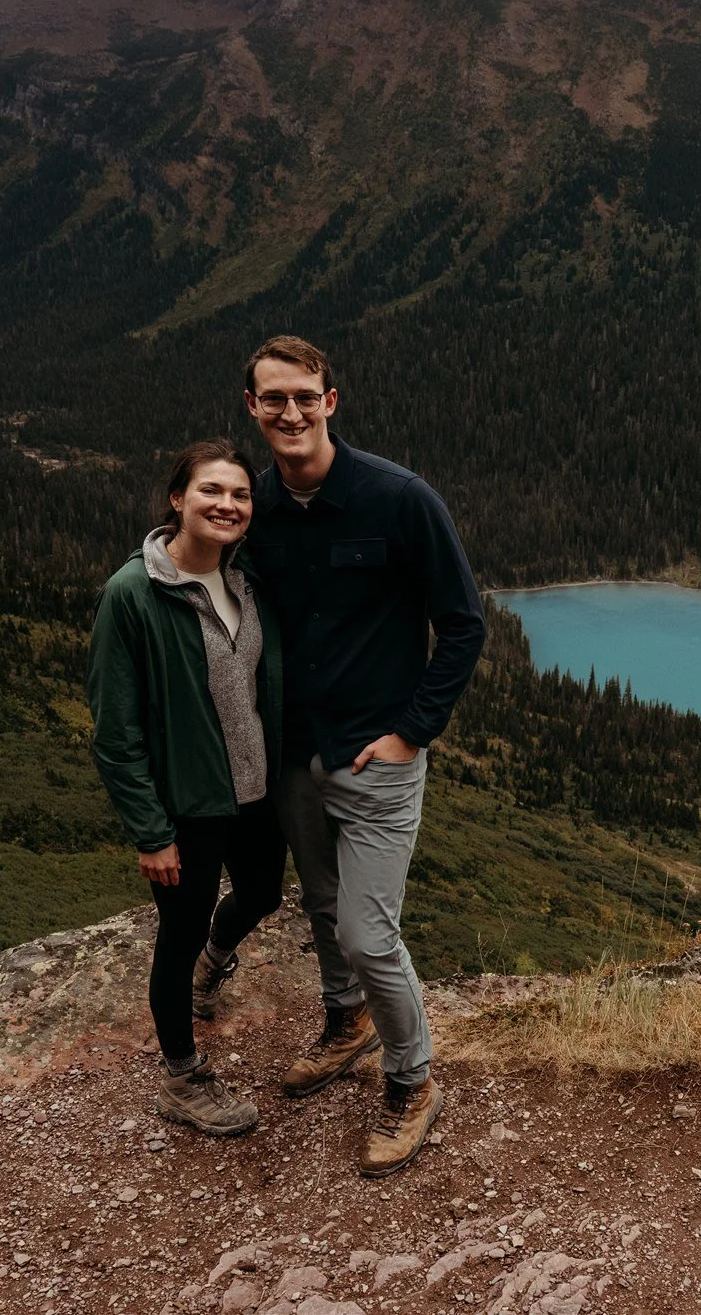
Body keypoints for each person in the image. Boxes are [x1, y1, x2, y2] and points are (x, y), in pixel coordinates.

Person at [201, 334, 485, 1177]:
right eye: (271, 399)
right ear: (251, 408)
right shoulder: (251, 506)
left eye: (304, 396)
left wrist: (411, 732)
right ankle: (345, 1022)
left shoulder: (399, 498)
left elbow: (463, 621)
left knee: (367, 929)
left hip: (378, 756)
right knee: (323, 905)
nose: (289, 412)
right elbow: (194, 572)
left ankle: (412, 1078)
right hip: (294, 754)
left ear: (332, 400)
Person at [87, 438, 288, 1137]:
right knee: (178, 930)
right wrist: (151, 831)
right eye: (212, 491)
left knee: (263, 892)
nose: (227, 505)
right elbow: (115, 731)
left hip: (257, 789)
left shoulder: (246, 577)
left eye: (240, 495)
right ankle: (180, 1077)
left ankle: (216, 963)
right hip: (190, 803)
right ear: (178, 498)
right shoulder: (133, 595)